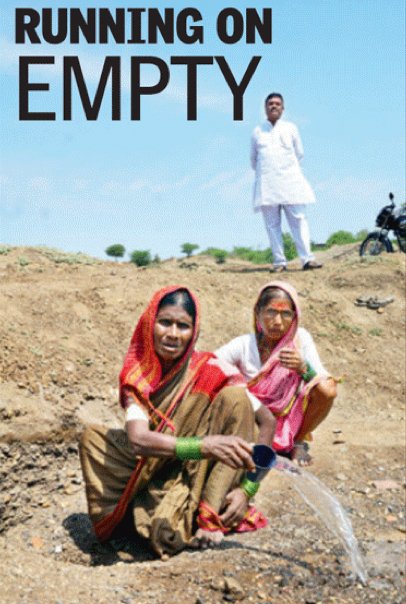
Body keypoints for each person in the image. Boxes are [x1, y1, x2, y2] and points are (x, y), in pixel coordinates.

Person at [80, 286, 275, 558]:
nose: (172, 334)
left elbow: (267, 421)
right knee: (93, 439)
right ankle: (133, 507)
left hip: (201, 470)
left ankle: (211, 511)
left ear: (194, 332)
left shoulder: (211, 368)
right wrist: (203, 445)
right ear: (151, 324)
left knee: (235, 399)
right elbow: (138, 439)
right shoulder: (139, 376)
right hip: (160, 461)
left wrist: (248, 489)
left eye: (182, 326)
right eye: (165, 322)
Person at [216, 281, 338, 465]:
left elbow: (324, 381)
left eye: (286, 314)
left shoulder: (300, 340)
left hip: (288, 420)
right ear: (258, 313)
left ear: (295, 317)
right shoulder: (244, 345)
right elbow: (211, 365)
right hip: (254, 418)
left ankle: (297, 442)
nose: (278, 322)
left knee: (327, 390)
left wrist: (303, 368)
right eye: (271, 312)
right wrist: (237, 383)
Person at [251, 92, 322, 272]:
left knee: (299, 220)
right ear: (265, 108)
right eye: (270, 104)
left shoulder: (291, 128)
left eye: (277, 104)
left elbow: (300, 153)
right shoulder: (257, 131)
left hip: (291, 182)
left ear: (283, 109)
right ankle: (280, 262)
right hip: (267, 184)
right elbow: (254, 159)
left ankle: (307, 259)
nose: (274, 106)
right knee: (272, 225)